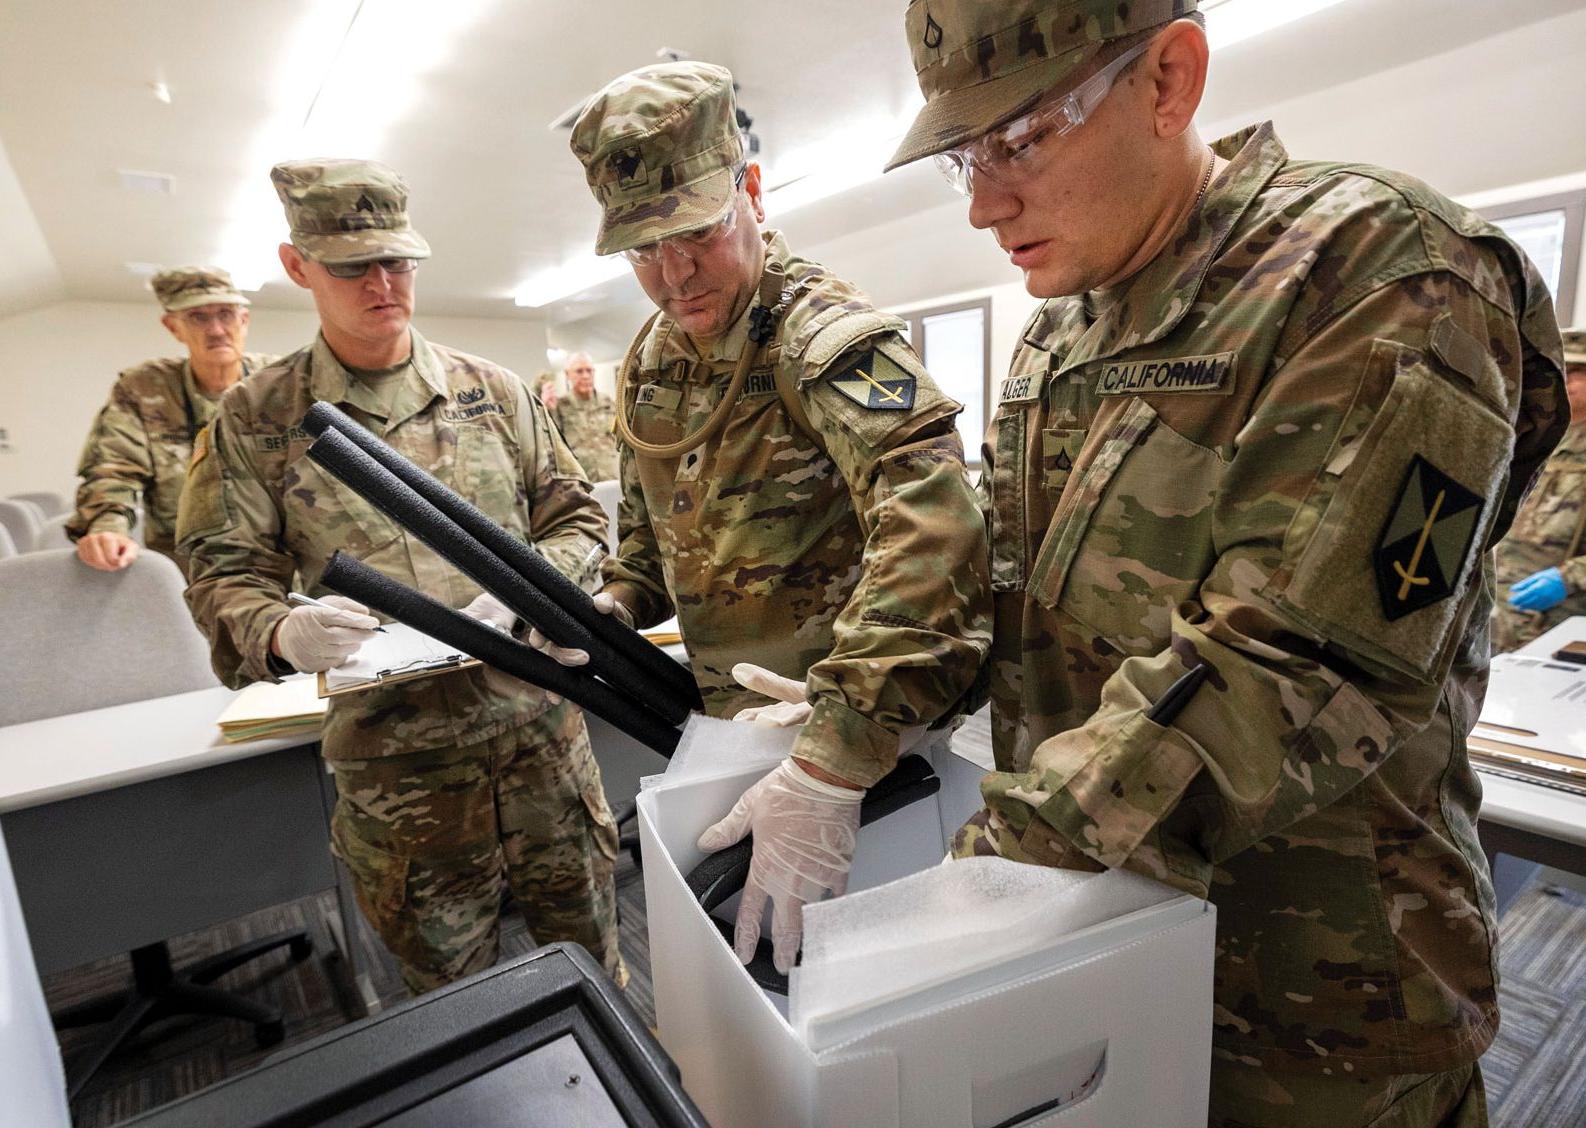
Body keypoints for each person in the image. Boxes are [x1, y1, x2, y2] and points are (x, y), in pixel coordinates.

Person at [885, 2, 1566, 1124]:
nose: (982, 203)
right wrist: (847, 718)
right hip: (1104, 949)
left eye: (1018, 140)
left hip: (1321, 1005)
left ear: (1168, 80)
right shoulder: (1064, 328)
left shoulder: (1384, 271)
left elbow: (1295, 658)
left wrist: (991, 874)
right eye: (964, 156)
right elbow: (1012, 596)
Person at [553, 62, 991, 973]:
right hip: (736, 735)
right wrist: (610, 603)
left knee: (871, 998)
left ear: (750, 191)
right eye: (641, 251)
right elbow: (643, 529)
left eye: (697, 234)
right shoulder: (654, 363)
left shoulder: (817, 335)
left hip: (866, 739)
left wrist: (839, 752)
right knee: (758, 989)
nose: (675, 276)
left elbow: (938, 524)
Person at [177, 159, 625, 994]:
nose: (383, 283)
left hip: (541, 743)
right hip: (401, 775)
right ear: (297, 265)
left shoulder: (492, 391)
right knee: (454, 1007)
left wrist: (538, 594)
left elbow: (577, 516)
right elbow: (221, 571)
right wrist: (278, 631)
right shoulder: (257, 419)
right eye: (353, 266)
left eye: (399, 262)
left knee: (595, 971)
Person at [67, 267, 273, 571]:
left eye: (225, 314)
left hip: (274, 563)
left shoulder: (279, 383)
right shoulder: (144, 388)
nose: (216, 329)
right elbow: (114, 468)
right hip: (183, 566)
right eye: (198, 317)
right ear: (172, 327)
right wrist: (107, 526)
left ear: (244, 320)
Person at [1493, 328, 1586, 651]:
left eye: (1578, 373)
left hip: (1563, 621)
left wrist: (1571, 577)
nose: (1568, 382)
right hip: (1504, 610)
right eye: (1564, 372)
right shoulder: (1534, 436)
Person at [552, 351, 619, 480]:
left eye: (589, 371)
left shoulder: (608, 403)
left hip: (611, 475)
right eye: (579, 371)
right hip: (582, 479)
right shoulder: (560, 406)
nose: (585, 376)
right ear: (567, 374)